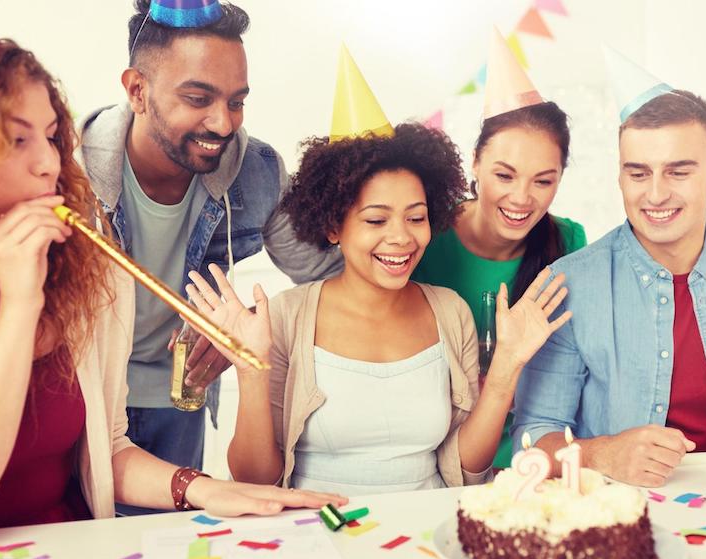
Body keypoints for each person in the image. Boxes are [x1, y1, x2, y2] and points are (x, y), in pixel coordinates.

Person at [0, 6, 344, 548]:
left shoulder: (89, 271)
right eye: (16, 140)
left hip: (151, 425)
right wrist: (18, 305)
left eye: (50, 137)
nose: (51, 164)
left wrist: (202, 487)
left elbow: (104, 451)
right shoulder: (87, 179)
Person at [185, 48, 572, 495]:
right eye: (375, 220)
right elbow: (255, 481)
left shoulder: (450, 312)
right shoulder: (286, 317)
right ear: (333, 225)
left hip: (427, 531)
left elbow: (468, 469)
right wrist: (251, 370)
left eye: (416, 216)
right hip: (317, 532)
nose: (401, 238)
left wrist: (506, 365)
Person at [79, 0, 343, 477]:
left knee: (164, 545)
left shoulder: (256, 172)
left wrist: (248, 333)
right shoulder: (67, 171)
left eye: (236, 101)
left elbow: (329, 281)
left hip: (178, 405)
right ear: (137, 90)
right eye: (199, 99)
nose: (224, 123)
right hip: (81, 400)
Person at [512, 50, 706, 488]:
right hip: (624, 515)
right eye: (638, 174)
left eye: (678, 172)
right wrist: (601, 453)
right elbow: (530, 439)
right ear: (620, 177)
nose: (656, 194)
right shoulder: (567, 285)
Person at [412, 27, 585, 469]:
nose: (522, 199)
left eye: (543, 181)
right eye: (504, 176)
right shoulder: (421, 236)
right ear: (475, 162)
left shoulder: (569, 243)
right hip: (433, 456)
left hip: (531, 455)